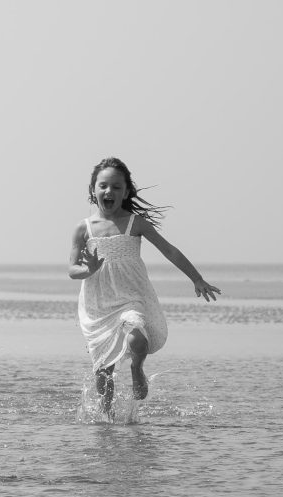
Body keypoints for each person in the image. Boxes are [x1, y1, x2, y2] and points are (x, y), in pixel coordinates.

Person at [68, 157, 219, 417]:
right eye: (103, 186)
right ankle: (106, 421)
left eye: (116, 187)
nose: (109, 191)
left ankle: (137, 368)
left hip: (131, 295)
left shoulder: (135, 223)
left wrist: (196, 278)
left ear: (126, 192)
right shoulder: (84, 228)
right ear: (93, 190)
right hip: (98, 303)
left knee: (137, 338)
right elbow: (72, 269)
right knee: (104, 370)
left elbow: (169, 250)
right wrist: (88, 269)